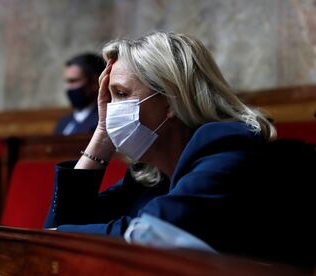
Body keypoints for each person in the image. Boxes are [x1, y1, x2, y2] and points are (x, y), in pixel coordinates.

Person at [45, 32, 315, 266]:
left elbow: (154, 232)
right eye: (108, 97)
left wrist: (62, 237)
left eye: (122, 95)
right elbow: (51, 239)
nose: (110, 108)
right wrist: (102, 134)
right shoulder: (148, 174)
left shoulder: (227, 142)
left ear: (172, 101)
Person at [54, 53, 106, 135]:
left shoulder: (103, 121)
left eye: (73, 81)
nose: (68, 87)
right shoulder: (63, 123)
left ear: (94, 83)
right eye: (67, 81)